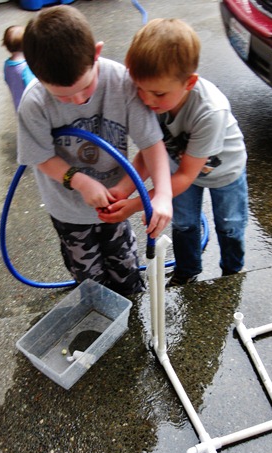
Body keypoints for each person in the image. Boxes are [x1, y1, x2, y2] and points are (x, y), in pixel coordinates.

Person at [17, 6, 173, 296]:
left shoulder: (122, 84)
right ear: (35, 74)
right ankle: (99, 308)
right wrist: (80, 180)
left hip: (115, 206)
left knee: (125, 265)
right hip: (67, 211)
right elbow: (39, 157)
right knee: (88, 277)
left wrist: (162, 192)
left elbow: (152, 143)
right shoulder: (34, 103)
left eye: (85, 87)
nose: (76, 100)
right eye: (61, 96)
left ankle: (131, 306)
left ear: (97, 52)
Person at [99, 18, 248, 287]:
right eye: (139, 89)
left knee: (230, 225)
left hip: (223, 171)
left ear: (189, 82)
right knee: (183, 224)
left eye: (157, 93)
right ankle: (187, 270)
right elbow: (147, 151)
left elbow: (187, 176)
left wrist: (134, 205)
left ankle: (232, 273)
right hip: (178, 168)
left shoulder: (209, 111)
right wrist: (123, 188)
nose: (146, 100)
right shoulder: (149, 97)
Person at [3, 25, 35, 111]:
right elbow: (33, 88)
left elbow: (7, 80)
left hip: (18, 105)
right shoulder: (26, 67)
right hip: (31, 108)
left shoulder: (7, 65)